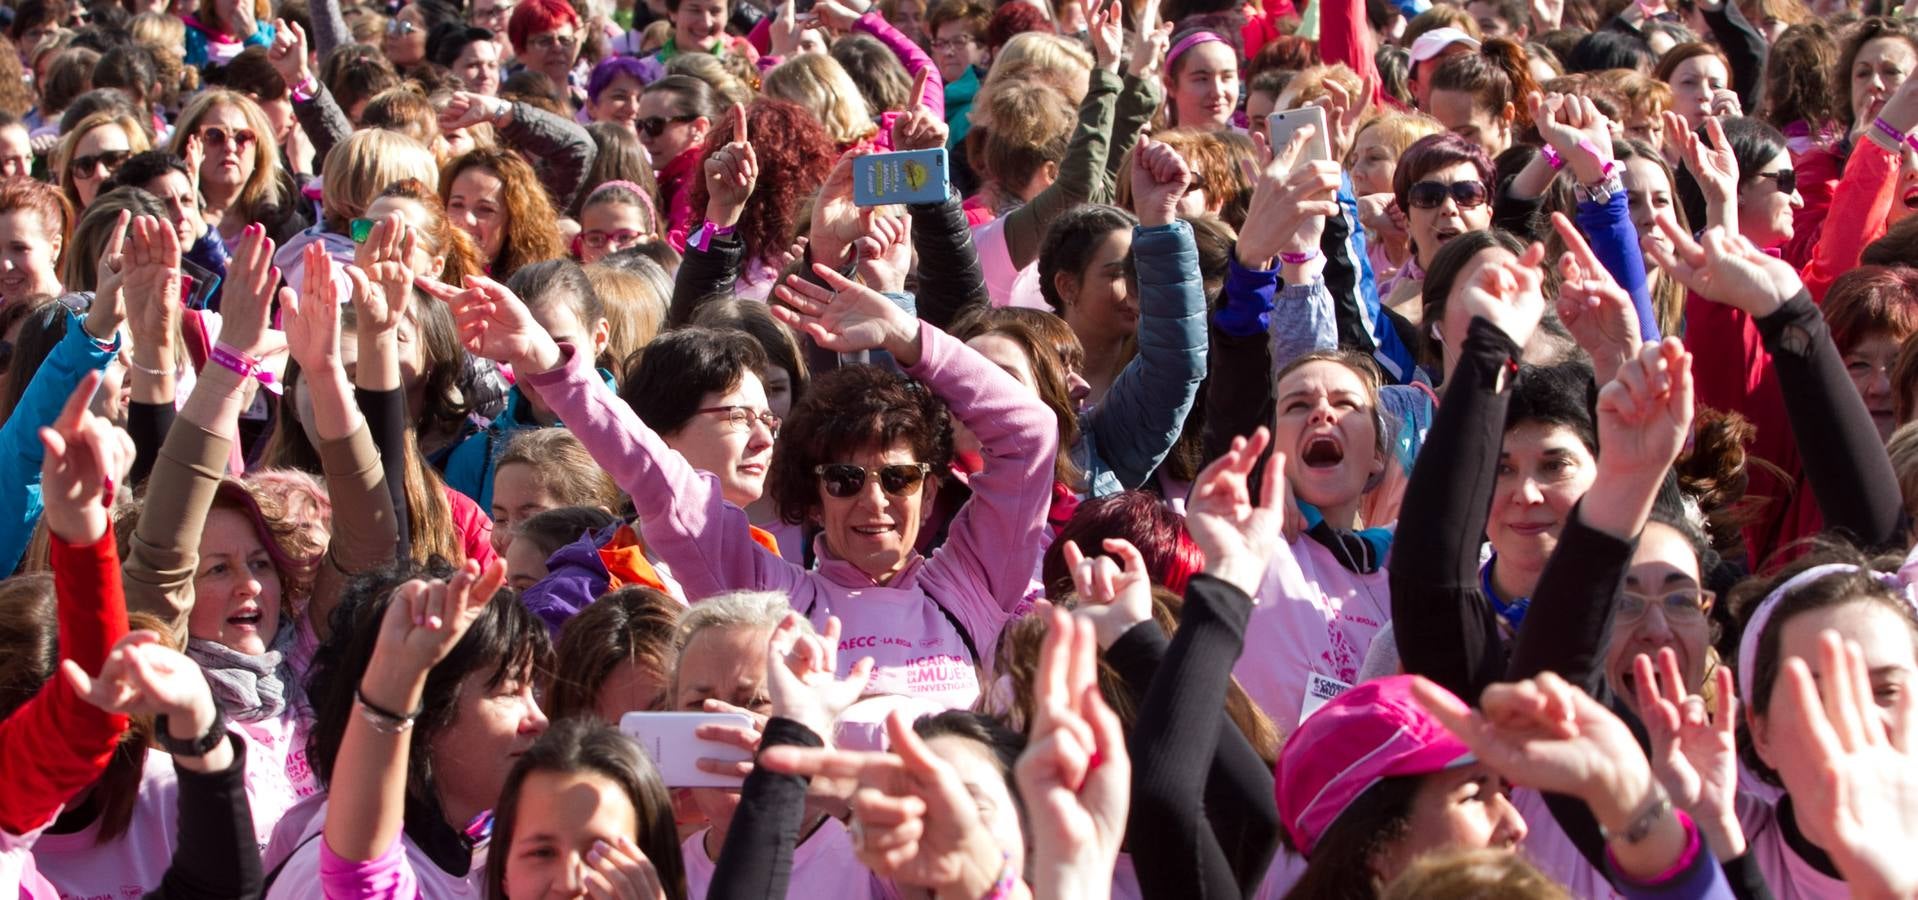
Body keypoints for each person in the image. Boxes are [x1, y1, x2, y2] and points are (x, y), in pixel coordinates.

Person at [424, 252, 1056, 708]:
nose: (874, 501)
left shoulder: (972, 582)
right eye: (843, 479)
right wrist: (555, 370)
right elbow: (659, 477)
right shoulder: (771, 596)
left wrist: (907, 335)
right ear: (812, 495)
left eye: (898, 478)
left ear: (931, 487)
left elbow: (1030, 432)